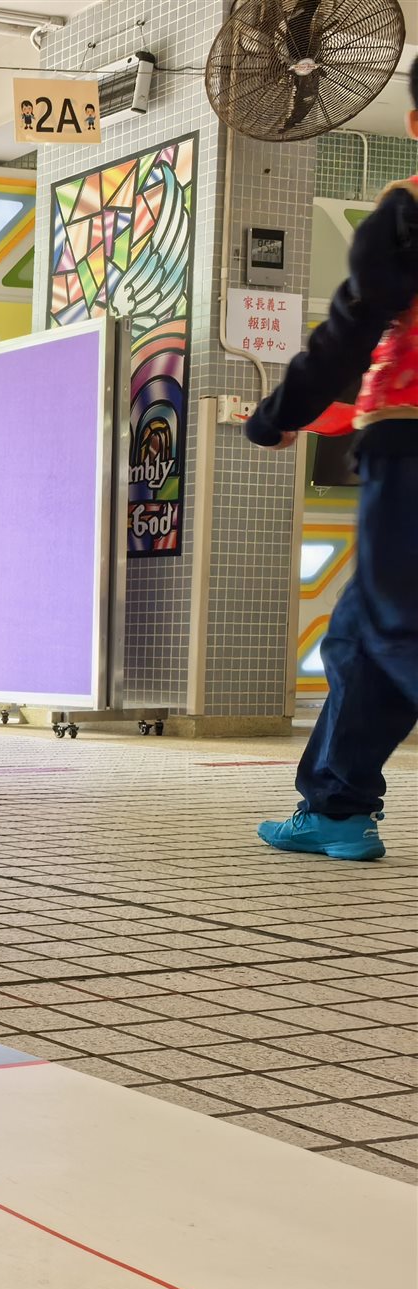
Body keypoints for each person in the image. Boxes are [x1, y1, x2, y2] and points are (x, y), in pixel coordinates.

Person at [244, 78, 418, 863]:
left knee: (396, 627)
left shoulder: (408, 209)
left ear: (413, 121)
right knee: (358, 634)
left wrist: (280, 413)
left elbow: (353, 325)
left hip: (411, 450)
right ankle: (336, 806)